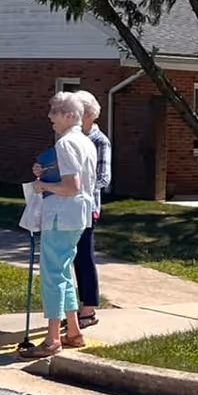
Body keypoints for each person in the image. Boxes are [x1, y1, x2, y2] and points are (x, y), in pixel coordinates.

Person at [32, 91, 98, 356]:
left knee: (52, 275)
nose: (50, 117)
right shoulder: (86, 142)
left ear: (69, 116)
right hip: (79, 216)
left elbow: (71, 186)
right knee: (64, 272)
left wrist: (42, 185)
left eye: (55, 111)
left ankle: (52, 339)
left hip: (61, 215)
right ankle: (73, 331)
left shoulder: (65, 144)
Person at [69, 90, 113, 328]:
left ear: (86, 114)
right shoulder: (70, 137)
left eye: (75, 110)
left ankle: (88, 309)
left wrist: (76, 185)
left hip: (87, 207)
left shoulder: (99, 141)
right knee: (71, 258)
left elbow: (104, 179)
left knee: (85, 257)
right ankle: (72, 309)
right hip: (67, 206)